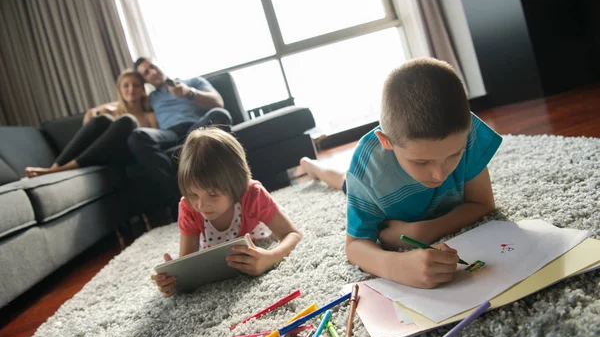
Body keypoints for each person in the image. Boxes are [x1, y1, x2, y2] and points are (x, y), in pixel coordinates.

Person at [300, 57, 502, 289]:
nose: (438, 174)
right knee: (343, 181)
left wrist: (421, 231)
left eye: (454, 155)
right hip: (360, 183)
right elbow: (355, 245)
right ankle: (311, 166)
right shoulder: (366, 172)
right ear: (386, 142)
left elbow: (483, 204)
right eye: (421, 161)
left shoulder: (468, 132)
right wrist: (395, 265)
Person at [151, 128, 302, 297]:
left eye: (213, 194)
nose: (201, 204)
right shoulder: (188, 207)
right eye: (193, 194)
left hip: (255, 231)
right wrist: (172, 281)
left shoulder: (253, 194)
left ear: (237, 185)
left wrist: (270, 257)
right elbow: (188, 262)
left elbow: (292, 234)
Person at [129, 57, 233, 205]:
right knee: (137, 136)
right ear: (145, 80)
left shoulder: (193, 82)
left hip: (196, 127)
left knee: (219, 114)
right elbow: (126, 101)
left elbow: (218, 102)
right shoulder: (150, 99)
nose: (152, 72)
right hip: (169, 134)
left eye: (152, 66)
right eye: (146, 72)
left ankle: (227, 182)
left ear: (159, 64)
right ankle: (180, 194)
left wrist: (189, 93)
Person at [25, 70, 157, 178]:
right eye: (126, 85)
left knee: (128, 120)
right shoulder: (113, 111)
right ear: (120, 90)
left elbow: (154, 140)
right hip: (105, 154)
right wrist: (98, 110)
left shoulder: (149, 115)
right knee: (103, 119)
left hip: (130, 155)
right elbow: (91, 119)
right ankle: (54, 167)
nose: (131, 89)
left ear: (142, 89)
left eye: (136, 85)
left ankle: (57, 170)